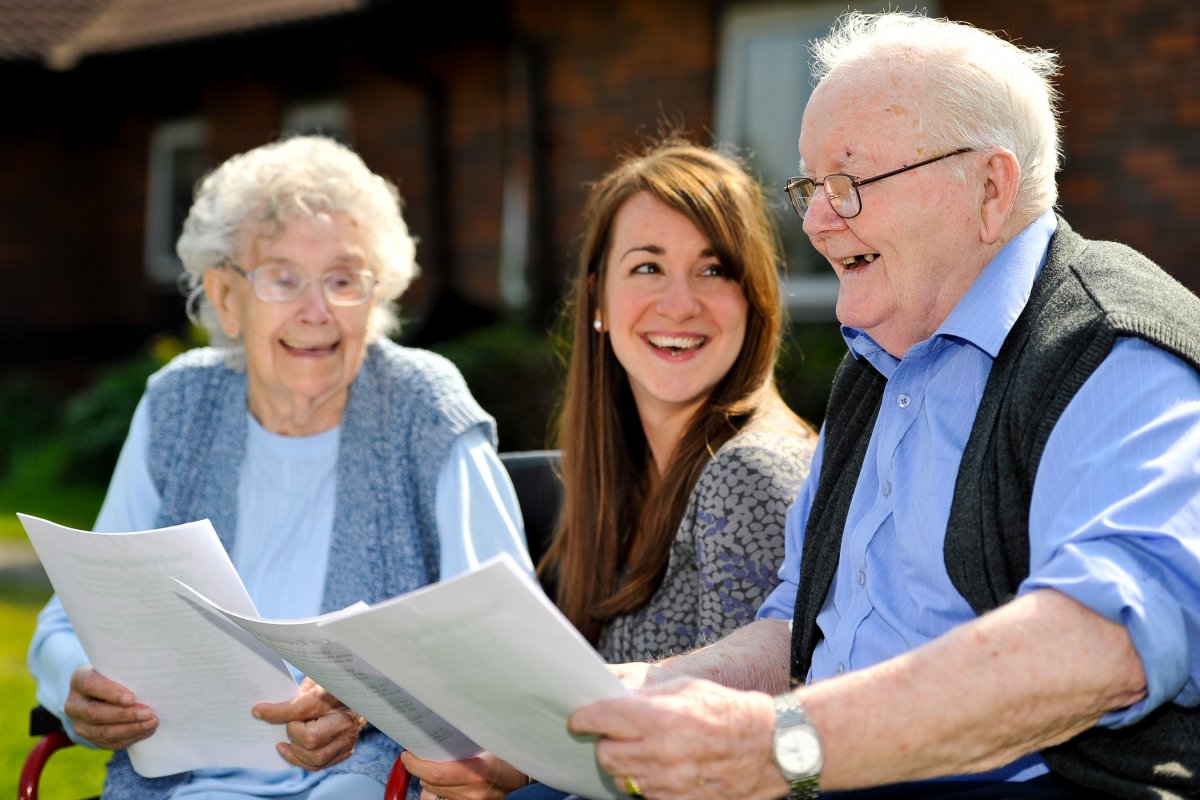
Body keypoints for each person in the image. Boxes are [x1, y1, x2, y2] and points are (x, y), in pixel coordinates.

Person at [567, 11, 1200, 800]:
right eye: (810, 185)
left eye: (851, 182)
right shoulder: (878, 365)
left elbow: (1102, 642)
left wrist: (781, 746)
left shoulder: (1114, 347)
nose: (817, 220)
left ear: (990, 187)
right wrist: (615, 704)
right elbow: (799, 626)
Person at [28, 134, 533, 800]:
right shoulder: (179, 405)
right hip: (174, 787)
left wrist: (368, 700)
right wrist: (77, 687)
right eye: (283, 278)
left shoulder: (423, 407)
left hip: (365, 786)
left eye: (344, 279)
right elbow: (68, 623)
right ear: (226, 298)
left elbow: (506, 642)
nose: (317, 311)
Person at [401, 137, 817, 799]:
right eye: (648, 267)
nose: (680, 304)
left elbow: (749, 761)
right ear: (597, 299)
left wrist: (524, 769)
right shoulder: (614, 477)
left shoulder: (749, 475)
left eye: (714, 269)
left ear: (755, 297)